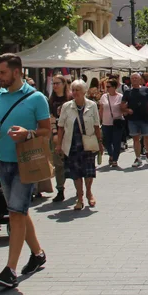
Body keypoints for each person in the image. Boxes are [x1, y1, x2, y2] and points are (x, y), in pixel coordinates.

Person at [0, 54, 50, 289]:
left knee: (15, 214)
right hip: (3, 160)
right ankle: (38, 253)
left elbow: (46, 130)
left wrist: (27, 133)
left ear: (17, 72)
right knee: (19, 211)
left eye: (2, 73)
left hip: (25, 162)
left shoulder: (36, 98)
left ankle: (10, 270)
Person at [57, 79, 102, 211]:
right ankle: (80, 197)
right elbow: (60, 127)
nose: (75, 92)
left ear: (84, 92)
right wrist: (59, 144)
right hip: (72, 144)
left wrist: (100, 142)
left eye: (78, 90)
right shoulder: (67, 106)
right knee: (76, 173)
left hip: (88, 144)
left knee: (88, 172)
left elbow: (96, 125)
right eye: (73, 90)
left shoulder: (92, 105)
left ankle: (88, 192)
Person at [124, 73, 148, 168]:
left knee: (147, 137)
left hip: (145, 117)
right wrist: (126, 110)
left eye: (136, 78)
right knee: (135, 139)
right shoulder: (127, 92)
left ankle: (147, 151)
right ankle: (138, 158)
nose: (134, 80)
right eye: (132, 78)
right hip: (133, 119)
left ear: (140, 79)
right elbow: (122, 104)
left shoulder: (145, 89)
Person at [46, 74, 69, 202]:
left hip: (70, 134)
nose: (54, 86)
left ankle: (79, 189)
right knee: (58, 163)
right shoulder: (51, 101)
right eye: (53, 83)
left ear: (63, 84)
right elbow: (51, 118)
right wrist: (55, 134)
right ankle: (60, 189)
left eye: (57, 83)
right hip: (57, 135)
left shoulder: (70, 98)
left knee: (72, 163)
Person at [98, 77, 124, 169]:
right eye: (106, 86)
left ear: (114, 87)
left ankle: (115, 159)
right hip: (106, 123)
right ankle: (111, 154)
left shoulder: (120, 97)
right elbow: (101, 110)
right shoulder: (104, 96)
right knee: (106, 141)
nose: (107, 88)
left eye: (108, 86)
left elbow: (123, 109)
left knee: (116, 142)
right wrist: (99, 121)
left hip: (117, 123)